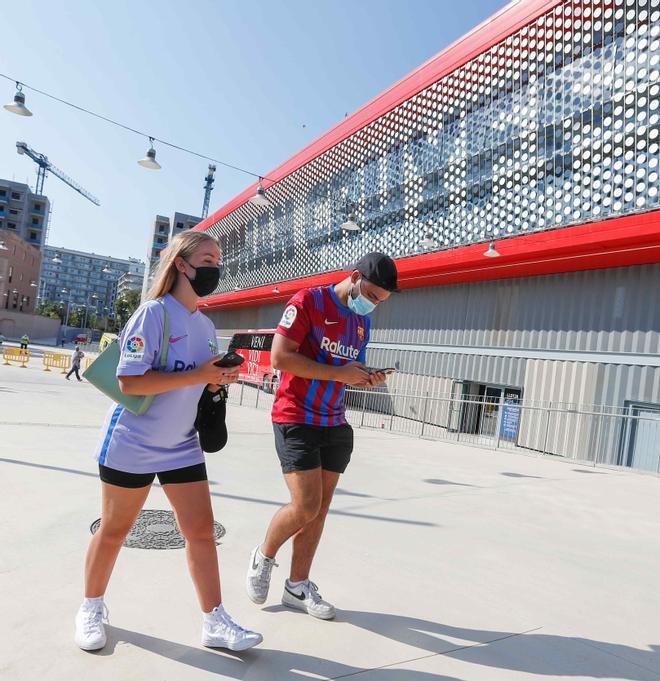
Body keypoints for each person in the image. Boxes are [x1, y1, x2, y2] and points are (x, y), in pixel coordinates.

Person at [75, 231, 262, 652]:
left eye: (219, 260)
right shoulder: (153, 314)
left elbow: (199, 381)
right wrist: (201, 375)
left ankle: (215, 620)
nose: (216, 267)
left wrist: (218, 381)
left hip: (181, 443)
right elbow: (129, 380)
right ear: (182, 263)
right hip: (133, 440)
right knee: (114, 530)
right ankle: (90, 607)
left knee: (199, 532)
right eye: (208, 258)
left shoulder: (207, 325)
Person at [246, 252, 398, 619]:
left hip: (334, 421)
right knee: (305, 505)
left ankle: (297, 586)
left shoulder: (361, 323)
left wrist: (366, 376)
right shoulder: (308, 302)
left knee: (320, 510)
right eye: (372, 296)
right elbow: (280, 358)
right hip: (296, 416)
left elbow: (349, 368)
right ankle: (264, 554)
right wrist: (339, 375)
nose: (373, 305)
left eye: (381, 302)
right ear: (355, 276)